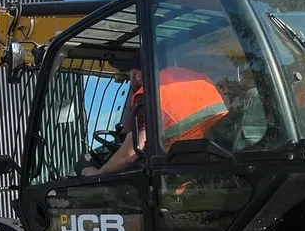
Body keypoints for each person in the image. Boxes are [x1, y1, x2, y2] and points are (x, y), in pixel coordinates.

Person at [81, 64, 228, 177]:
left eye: (129, 75)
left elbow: (131, 152)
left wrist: (99, 173)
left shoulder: (150, 93)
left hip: (173, 175)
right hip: (214, 164)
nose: (130, 80)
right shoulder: (198, 82)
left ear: (138, 75)